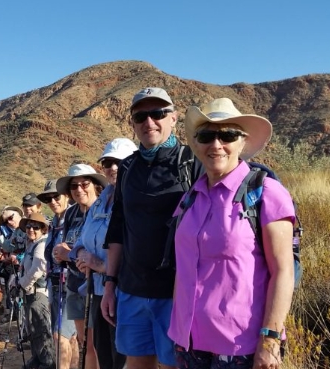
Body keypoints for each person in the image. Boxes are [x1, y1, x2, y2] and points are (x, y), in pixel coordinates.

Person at [169, 98, 295, 369]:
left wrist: (270, 340)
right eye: (206, 136)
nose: (216, 144)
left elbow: (284, 271)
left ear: (242, 142)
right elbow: (184, 268)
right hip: (187, 342)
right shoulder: (190, 199)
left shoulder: (266, 193)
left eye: (227, 135)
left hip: (240, 346)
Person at [101, 87, 203, 369]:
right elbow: (118, 227)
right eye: (141, 116)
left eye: (158, 114)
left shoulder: (192, 163)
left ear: (173, 118)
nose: (149, 122)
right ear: (132, 123)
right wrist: (110, 285)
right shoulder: (128, 167)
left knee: (174, 365)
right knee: (136, 363)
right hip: (132, 289)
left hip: (175, 292)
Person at [70, 138, 136, 369]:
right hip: (97, 292)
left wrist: (99, 263)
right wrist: (80, 255)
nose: (113, 167)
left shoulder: (136, 200)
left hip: (125, 292)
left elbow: (139, 252)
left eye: (120, 161)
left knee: (124, 356)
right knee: (103, 353)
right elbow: (81, 239)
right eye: (108, 162)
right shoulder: (101, 202)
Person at [54, 163, 107, 369]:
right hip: (74, 284)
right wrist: (60, 253)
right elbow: (69, 243)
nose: (79, 189)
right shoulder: (71, 213)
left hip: (96, 286)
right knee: (84, 341)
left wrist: (68, 254)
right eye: (74, 186)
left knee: (96, 344)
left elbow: (100, 250)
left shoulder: (101, 210)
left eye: (84, 184)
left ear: (94, 186)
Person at [38, 179, 77, 369]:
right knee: (70, 338)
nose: (52, 201)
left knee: (59, 336)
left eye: (56, 197)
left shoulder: (74, 217)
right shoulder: (54, 222)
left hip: (71, 286)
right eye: (48, 199)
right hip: (55, 286)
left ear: (66, 196)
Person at [12, 212, 56, 369]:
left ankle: (47, 362)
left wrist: (21, 284)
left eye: (35, 227)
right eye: (29, 226)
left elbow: (38, 269)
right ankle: (37, 358)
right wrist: (16, 281)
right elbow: (25, 268)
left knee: (41, 329)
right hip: (30, 293)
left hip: (39, 293)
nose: (31, 229)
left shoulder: (41, 245)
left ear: (43, 229)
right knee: (33, 328)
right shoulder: (32, 244)